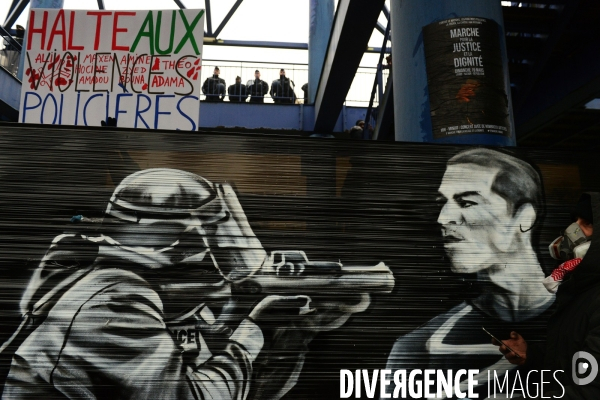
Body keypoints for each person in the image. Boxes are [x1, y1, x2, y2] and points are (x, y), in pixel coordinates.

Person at [2, 169, 365, 399]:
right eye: (214, 245)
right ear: (173, 245)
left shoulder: (144, 301)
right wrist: (255, 328)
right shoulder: (114, 300)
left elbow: (240, 388)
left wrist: (294, 335)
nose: (217, 267)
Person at [384, 148, 554, 398]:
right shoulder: (417, 348)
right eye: (443, 203)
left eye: (467, 202)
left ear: (523, 217)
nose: (444, 218)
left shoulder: (581, 316)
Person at [494, 193, 600, 398]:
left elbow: (591, 391)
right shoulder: (581, 290)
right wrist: (529, 355)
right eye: (574, 222)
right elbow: (573, 361)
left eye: (586, 223)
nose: (573, 231)